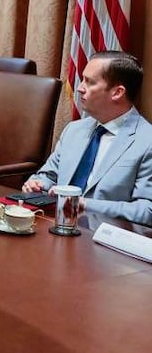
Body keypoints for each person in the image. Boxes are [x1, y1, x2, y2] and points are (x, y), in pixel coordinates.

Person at [23, 51, 152, 226]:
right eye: (83, 79)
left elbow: (147, 210)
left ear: (117, 92)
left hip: (105, 241)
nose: (80, 87)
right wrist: (37, 183)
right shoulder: (74, 129)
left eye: (89, 82)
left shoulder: (146, 141)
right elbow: (48, 175)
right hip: (55, 227)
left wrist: (87, 205)